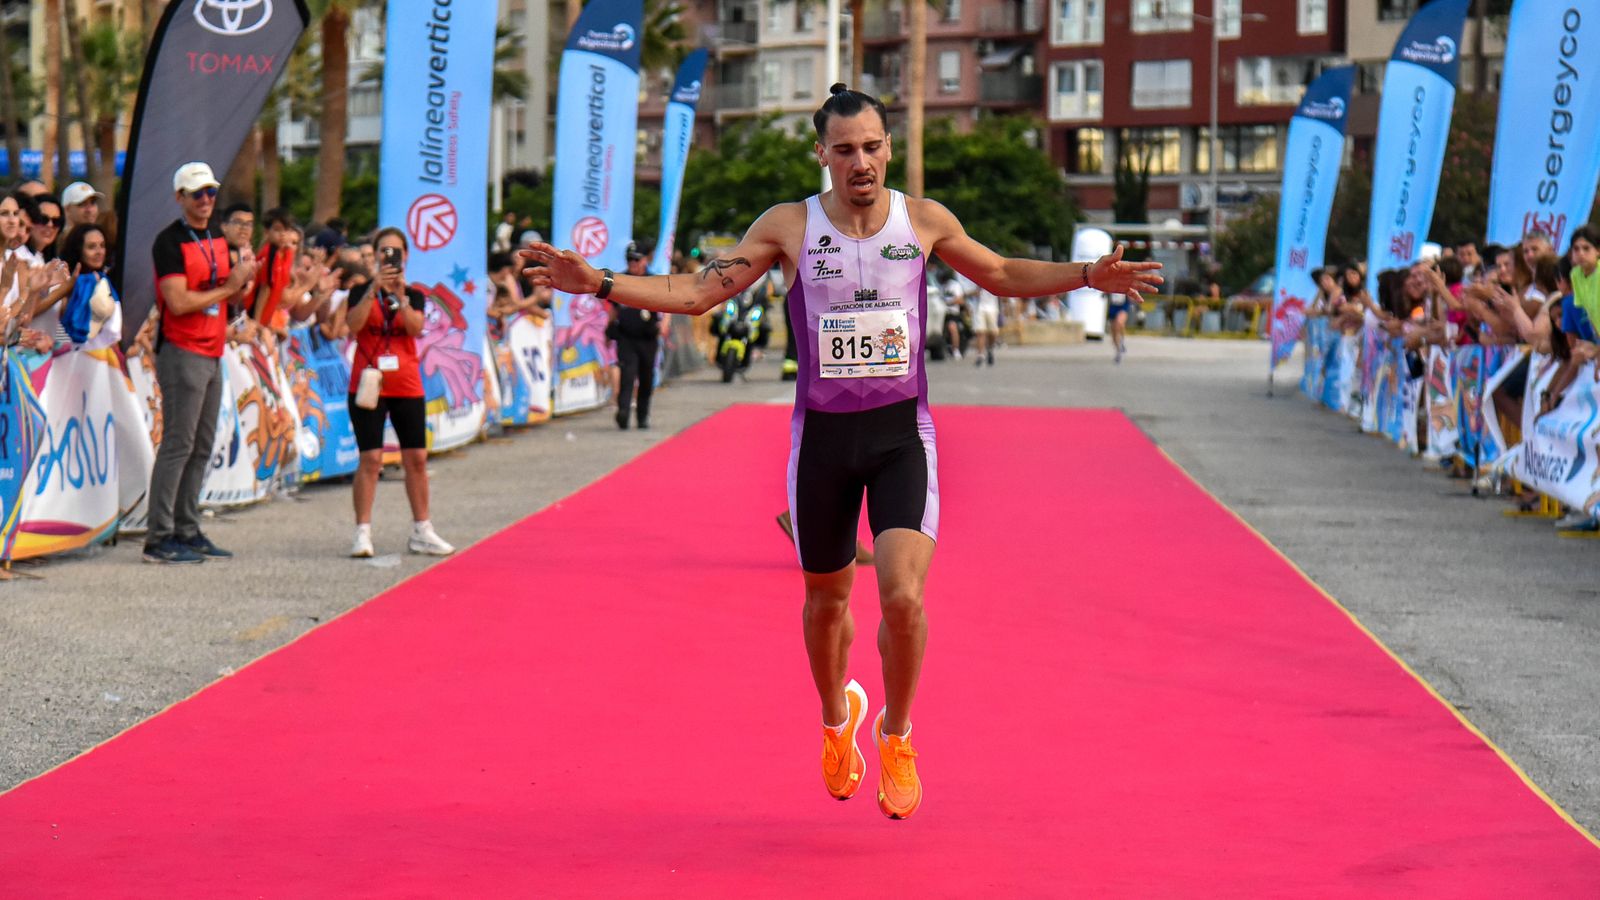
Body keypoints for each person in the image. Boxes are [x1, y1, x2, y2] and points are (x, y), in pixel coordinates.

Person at [519, 83, 1162, 820]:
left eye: (873, 146)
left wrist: (1087, 275)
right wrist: (599, 283)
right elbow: (698, 293)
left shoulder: (922, 221)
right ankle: (837, 721)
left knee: (902, 595)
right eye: (846, 149)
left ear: (889, 148)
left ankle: (898, 732)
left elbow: (1004, 273)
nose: (862, 161)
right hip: (821, 442)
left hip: (899, 438)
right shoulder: (791, 227)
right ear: (821, 154)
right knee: (825, 605)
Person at [144, 162, 257, 564]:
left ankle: (186, 528)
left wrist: (241, 285)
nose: (206, 200)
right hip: (182, 348)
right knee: (179, 444)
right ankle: (158, 536)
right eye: (197, 194)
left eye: (210, 192)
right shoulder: (169, 241)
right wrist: (229, 286)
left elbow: (225, 298)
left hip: (212, 349)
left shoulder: (215, 237)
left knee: (202, 445)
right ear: (180, 198)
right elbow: (177, 301)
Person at [345, 227, 455, 558]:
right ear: (375, 255)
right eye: (384, 252)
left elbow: (415, 327)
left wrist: (402, 297)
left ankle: (422, 529)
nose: (391, 257)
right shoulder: (362, 290)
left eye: (396, 252)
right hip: (368, 384)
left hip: (406, 383)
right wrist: (374, 289)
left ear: (406, 256)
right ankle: (362, 531)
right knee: (371, 458)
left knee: (416, 459)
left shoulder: (415, 294)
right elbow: (352, 325)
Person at [611, 241, 660, 429]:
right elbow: (613, 308)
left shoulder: (653, 280)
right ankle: (623, 411)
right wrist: (609, 328)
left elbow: (668, 305)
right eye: (629, 259)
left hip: (647, 336)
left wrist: (664, 324)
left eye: (636, 260)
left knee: (646, 377)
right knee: (627, 374)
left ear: (645, 260)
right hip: (626, 336)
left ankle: (642, 415)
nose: (632, 263)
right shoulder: (621, 279)